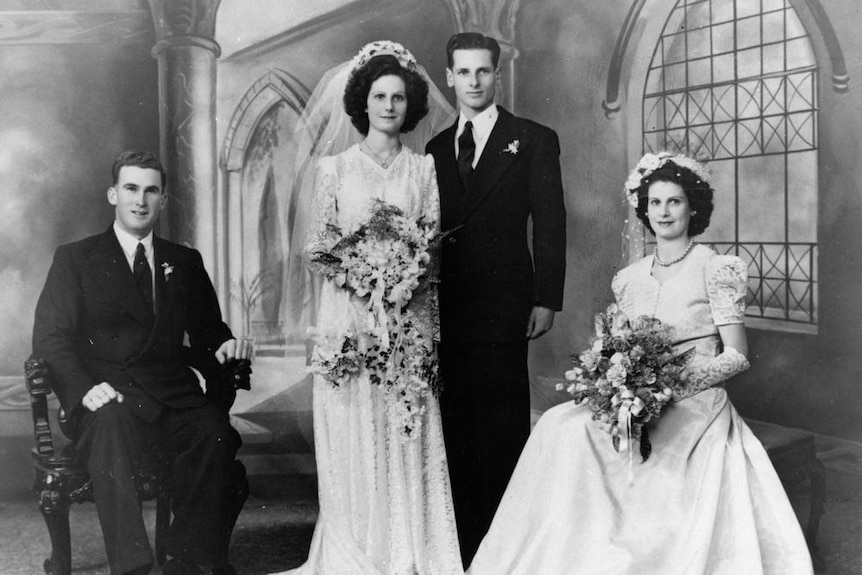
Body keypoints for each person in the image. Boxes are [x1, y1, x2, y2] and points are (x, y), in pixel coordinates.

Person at [467, 152, 814, 574]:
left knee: (652, 460)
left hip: (695, 400)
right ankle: (578, 550)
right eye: (655, 202)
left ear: (694, 208)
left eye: (674, 202)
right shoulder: (629, 279)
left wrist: (669, 387)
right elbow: (618, 343)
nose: (664, 212)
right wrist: (615, 387)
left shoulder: (716, 268)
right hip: (633, 397)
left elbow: (737, 355)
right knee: (560, 426)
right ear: (644, 210)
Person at [272, 42, 462, 574]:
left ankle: (407, 549)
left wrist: (403, 276)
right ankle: (360, 548)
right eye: (379, 96)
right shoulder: (334, 168)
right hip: (351, 323)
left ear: (411, 105)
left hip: (407, 324)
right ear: (362, 102)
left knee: (403, 427)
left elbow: (432, 246)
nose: (389, 106)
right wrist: (366, 276)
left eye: (399, 97)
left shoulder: (423, 169)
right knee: (356, 430)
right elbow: (316, 247)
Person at [32, 150, 253, 575]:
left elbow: (209, 329)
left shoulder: (184, 261)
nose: (141, 200)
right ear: (113, 194)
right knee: (110, 421)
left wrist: (225, 345)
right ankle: (131, 565)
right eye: (131, 188)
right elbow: (50, 338)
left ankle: (185, 560)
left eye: (151, 190)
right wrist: (83, 388)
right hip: (107, 395)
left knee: (215, 432)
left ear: (163, 200)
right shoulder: (76, 258)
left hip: (171, 394)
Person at [424, 32, 567, 566]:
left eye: (483, 72)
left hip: (507, 301)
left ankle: (505, 546)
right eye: (463, 73)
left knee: (504, 421)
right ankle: (464, 545)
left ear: (496, 75)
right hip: (448, 307)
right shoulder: (437, 147)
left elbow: (551, 222)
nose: (474, 82)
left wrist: (546, 297)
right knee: (457, 421)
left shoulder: (532, 138)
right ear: (449, 78)